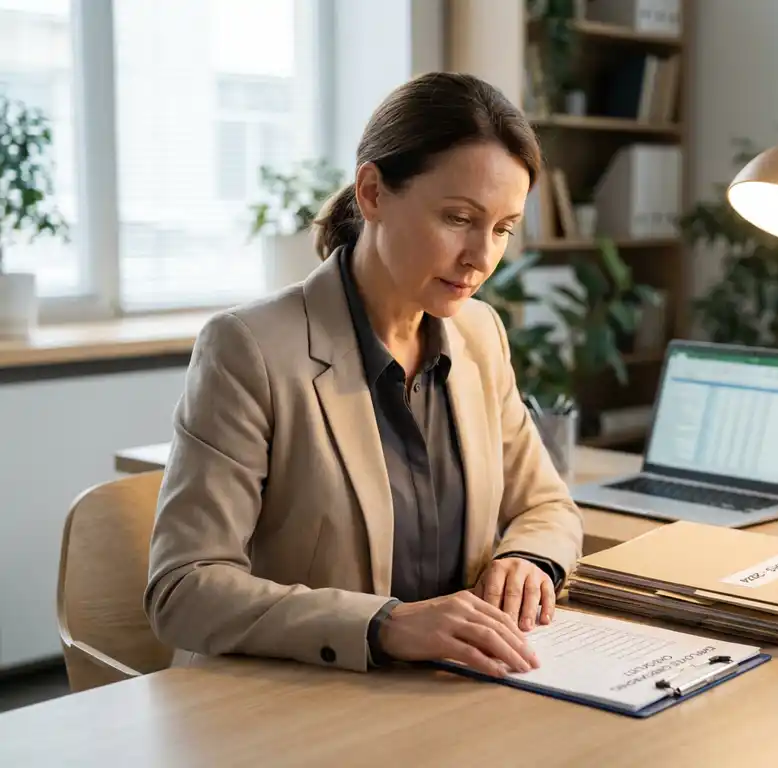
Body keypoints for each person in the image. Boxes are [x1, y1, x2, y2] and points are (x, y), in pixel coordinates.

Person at [143, 72, 584, 678]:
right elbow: (184, 588)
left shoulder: (480, 333)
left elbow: (547, 505)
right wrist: (383, 625)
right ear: (373, 193)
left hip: (451, 692)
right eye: (459, 218)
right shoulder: (250, 348)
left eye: (503, 228)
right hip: (297, 703)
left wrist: (531, 559)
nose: (482, 257)